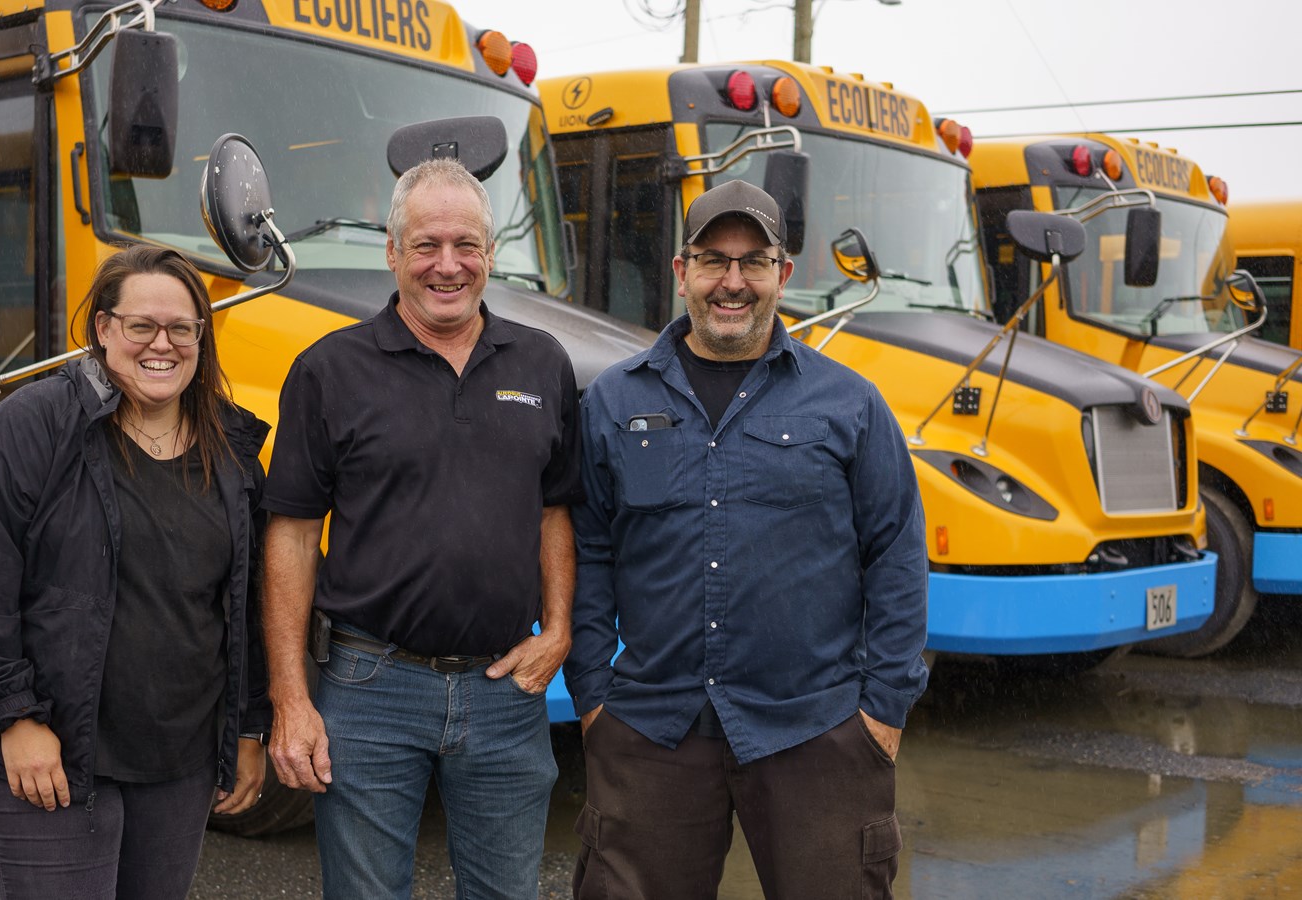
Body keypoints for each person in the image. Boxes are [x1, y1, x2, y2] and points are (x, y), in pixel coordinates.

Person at [565, 180, 929, 900]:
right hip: (649, 730)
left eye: (753, 261)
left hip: (815, 732)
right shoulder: (614, 400)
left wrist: (882, 710)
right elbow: (589, 548)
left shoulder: (849, 403)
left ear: (782, 274)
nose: (732, 282)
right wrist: (593, 694)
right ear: (681, 272)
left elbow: (896, 553)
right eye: (712, 260)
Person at [261, 157, 580, 900]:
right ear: (392, 252)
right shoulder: (329, 370)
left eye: (466, 245)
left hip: (507, 691)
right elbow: (292, 538)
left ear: (491, 254)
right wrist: (290, 698)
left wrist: (558, 627)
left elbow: (555, 507)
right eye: (427, 245)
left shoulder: (542, 365)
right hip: (370, 686)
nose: (448, 265)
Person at [0, 245, 271, 900]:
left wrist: (249, 726)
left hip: (179, 760)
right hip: (53, 753)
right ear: (105, 329)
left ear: (201, 336)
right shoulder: (35, 425)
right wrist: (15, 718)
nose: (161, 344)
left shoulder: (231, 448)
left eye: (181, 328)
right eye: (141, 326)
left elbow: (244, 604)